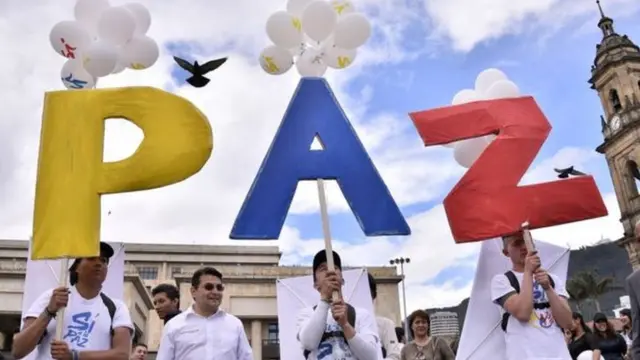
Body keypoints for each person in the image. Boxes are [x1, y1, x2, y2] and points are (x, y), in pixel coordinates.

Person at [12, 242, 134, 360]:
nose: (99, 263)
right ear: (76, 267)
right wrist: (49, 312)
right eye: (92, 258)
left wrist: (74, 356)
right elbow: (18, 350)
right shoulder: (51, 297)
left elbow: (122, 355)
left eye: (103, 260)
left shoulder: (116, 307)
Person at [491, 232, 573, 360]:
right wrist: (528, 272)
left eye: (527, 242)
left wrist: (548, 287)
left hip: (559, 355)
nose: (524, 247)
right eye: (517, 243)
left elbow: (567, 322)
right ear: (506, 252)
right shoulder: (502, 281)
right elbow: (523, 313)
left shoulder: (553, 279)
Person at [296, 249, 380, 360]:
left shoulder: (361, 314)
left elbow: (371, 356)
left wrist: (345, 325)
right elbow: (309, 343)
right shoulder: (306, 314)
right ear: (316, 284)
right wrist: (325, 300)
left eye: (335, 268)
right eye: (323, 269)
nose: (330, 271)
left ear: (342, 280)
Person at [156, 266, 252, 360]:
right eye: (209, 287)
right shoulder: (174, 325)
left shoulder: (235, 325)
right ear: (193, 291)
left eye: (219, 288)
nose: (215, 292)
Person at [367, 272, 401, 359]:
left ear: (373, 295)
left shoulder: (385, 324)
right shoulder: (340, 325)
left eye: (367, 293)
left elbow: (394, 354)